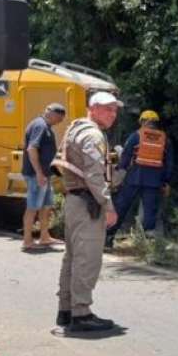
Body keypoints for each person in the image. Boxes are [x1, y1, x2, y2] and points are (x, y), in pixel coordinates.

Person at [52, 92, 121, 332]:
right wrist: (108, 205)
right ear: (93, 109)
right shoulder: (92, 134)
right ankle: (81, 314)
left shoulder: (76, 129)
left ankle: (66, 310)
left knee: (72, 258)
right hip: (88, 203)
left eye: (114, 110)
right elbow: (94, 174)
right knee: (87, 259)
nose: (113, 114)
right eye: (108, 109)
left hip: (75, 200)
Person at [107, 109, 174, 246]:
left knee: (121, 208)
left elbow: (125, 158)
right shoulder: (165, 139)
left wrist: (118, 171)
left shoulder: (136, 136)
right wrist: (166, 181)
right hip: (154, 182)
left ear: (143, 121)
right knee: (150, 212)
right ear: (155, 123)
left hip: (133, 178)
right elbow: (169, 163)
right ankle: (148, 246)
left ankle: (108, 238)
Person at [22, 102, 67, 251]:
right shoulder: (40, 126)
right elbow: (32, 149)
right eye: (59, 119)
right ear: (53, 114)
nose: (59, 122)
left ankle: (44, 236)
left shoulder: (45, 127)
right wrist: (39, 173)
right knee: (33, 207)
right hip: (37, 175)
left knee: (46, 206)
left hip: (44, 175)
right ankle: (27, 241)